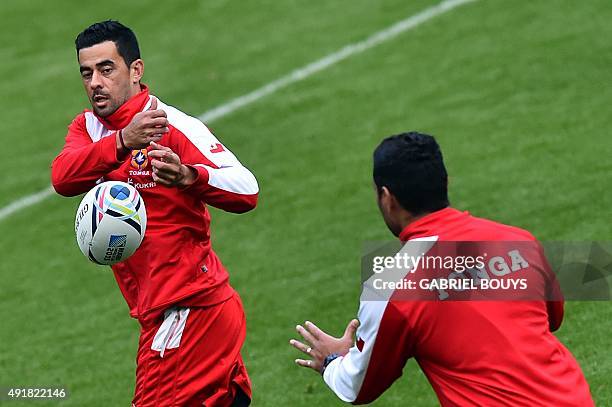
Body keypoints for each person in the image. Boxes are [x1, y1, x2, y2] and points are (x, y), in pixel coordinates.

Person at [290, 132, 594, 405]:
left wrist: (333, 360)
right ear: (445, 182)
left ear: (387, 198)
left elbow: (357, 387)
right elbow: (552, 318)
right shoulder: (517, 239)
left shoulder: (393, 283)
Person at [51, 20, 257, 406]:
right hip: (169, 313)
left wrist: (188, 175)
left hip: (189, 311)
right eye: (86, 72)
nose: (95, 82)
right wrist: (123, 142)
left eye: (106, 69)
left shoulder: (171, 125)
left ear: (136, 70)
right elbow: (63, 177)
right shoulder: (88, 128)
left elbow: (248, 189)